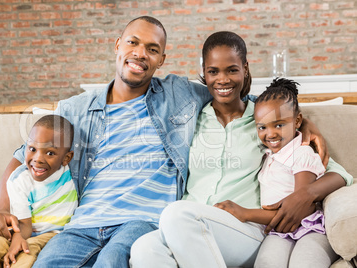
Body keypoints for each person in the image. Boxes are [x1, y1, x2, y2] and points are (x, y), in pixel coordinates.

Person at [0, 17, 333, 267]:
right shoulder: (75, 109)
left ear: (161, 60)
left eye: (152, 49)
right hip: (85, 221)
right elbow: (23, 156)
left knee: (113, 261)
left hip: (146, 218)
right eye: (133, 42)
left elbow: (241, 95)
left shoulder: (177, 94)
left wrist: (302, 124)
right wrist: (2, 207)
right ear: (118, 45)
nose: (140, 53)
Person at [130, 31, 353, 268]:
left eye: (232, 70)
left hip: (245, 229)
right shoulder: (190, 119)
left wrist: (304, 194)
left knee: (176, 214)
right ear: (204, 72)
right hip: (188, 225)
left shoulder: (265, 121)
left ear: (245, 69)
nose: (222, 79)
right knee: (144, 249)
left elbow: (339, 173)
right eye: (213, 71)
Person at [215, 77, 344, 267]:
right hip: (279, 231)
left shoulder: (301, 153)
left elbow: (302, 209)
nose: (271, 134)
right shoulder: (268, 156)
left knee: (305, 262)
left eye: (279, 125)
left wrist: (245, 213)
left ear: (298, 120)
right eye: (262, 127)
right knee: (267, 263)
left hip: (309, 228)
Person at [0, 115, 77, 268]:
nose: (38, 158)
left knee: (28, 251)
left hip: (52, 235)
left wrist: (21, 242)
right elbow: (24, 223)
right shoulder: (19, 180)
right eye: (32, 149)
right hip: (22, 228)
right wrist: (17, 238)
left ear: (66, 158)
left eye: (50, 153)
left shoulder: (71, 173)